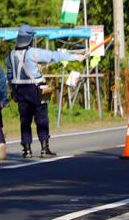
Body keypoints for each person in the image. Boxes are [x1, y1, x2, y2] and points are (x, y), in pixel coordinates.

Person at [7, 24, 84, 158]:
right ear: (30, 38)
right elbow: (54, 56)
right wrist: (75, 57)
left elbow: (10, 75)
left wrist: (13, 91)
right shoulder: (33, 52)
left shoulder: (11, 55)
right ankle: (44, 148)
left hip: (20, 90)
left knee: (25, 120)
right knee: (41, 117)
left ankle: (27, 150)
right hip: (36, 88)